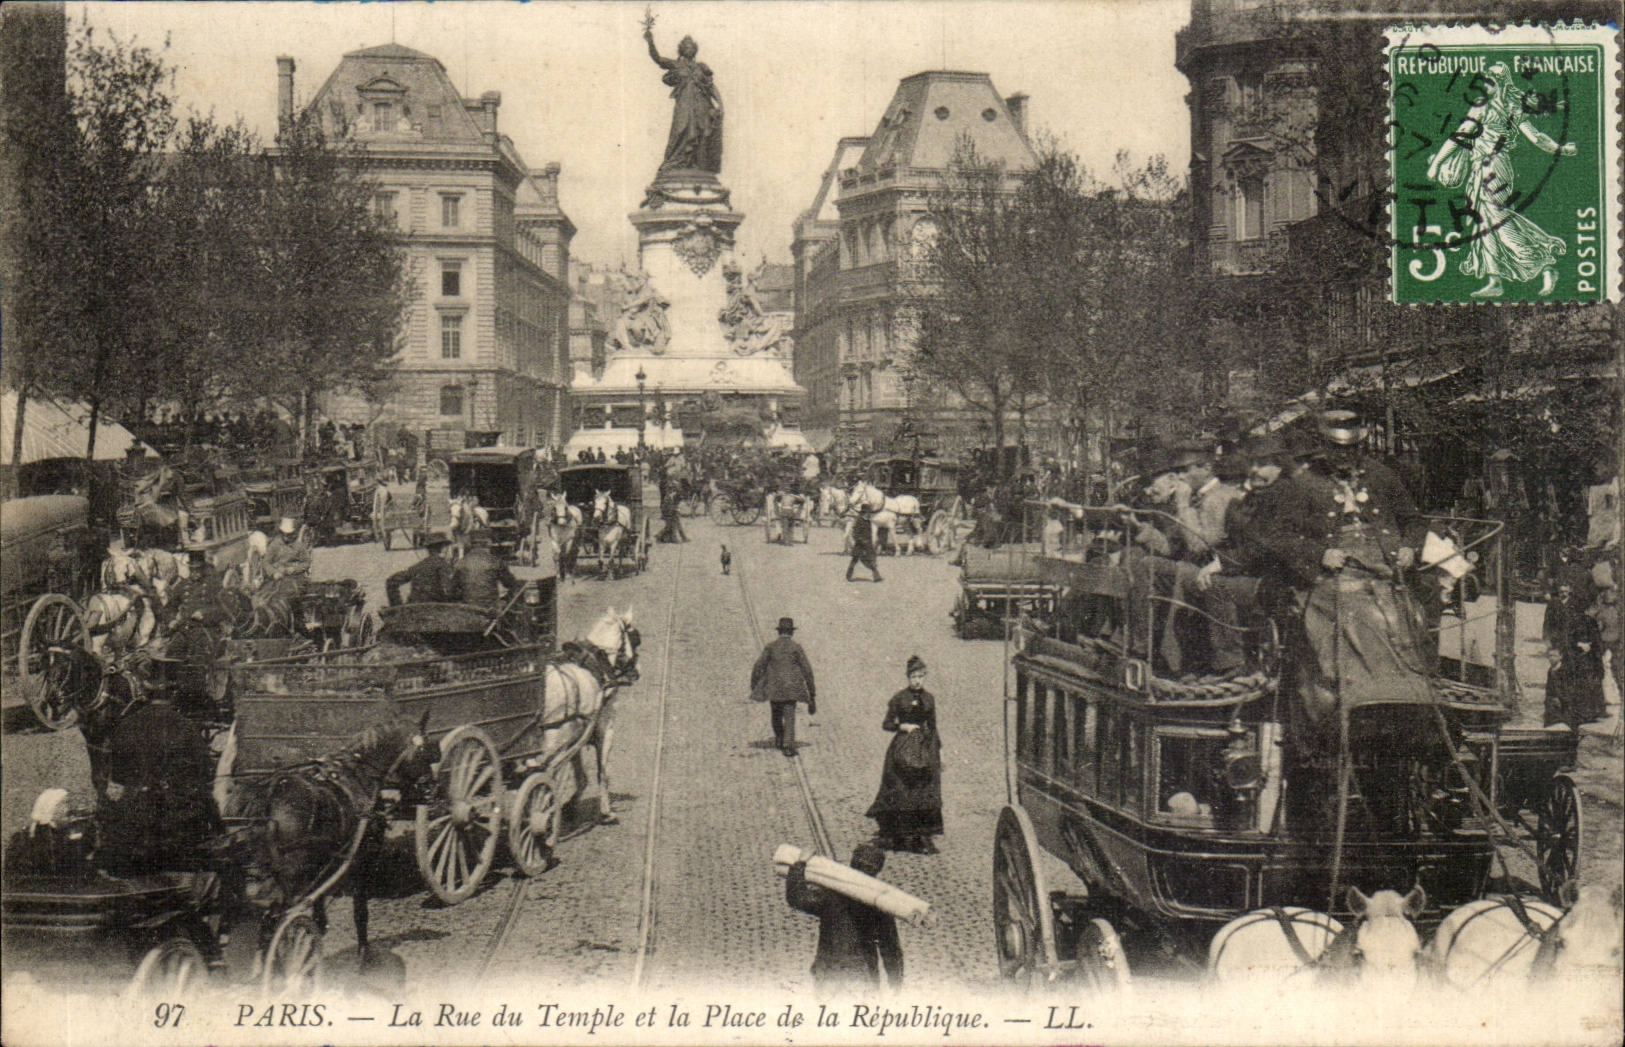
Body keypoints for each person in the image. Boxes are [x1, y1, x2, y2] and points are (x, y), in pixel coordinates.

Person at [1427, 61, 1577, 298]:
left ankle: (1545, 263)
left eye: (1491, 81)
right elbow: (1537, 138)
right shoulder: (1511, 108)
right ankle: (1494, 280)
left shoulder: (1483, 108)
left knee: (1499, 221)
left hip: (1492, 168)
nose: (1486, 85)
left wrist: (1435, 165)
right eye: (1487, 80)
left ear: (1500, 84)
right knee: (1483, 222)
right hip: (1486, 168)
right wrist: (1561, 149)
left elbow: (1459, 136)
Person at [786, 843, 904, 995]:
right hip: (863, 974)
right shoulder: (879, 902)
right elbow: (890, 946)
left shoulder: (832, 894)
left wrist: (799, 864)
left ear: (852, 864)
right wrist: (896, 982)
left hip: (829, 971)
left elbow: (798, 898)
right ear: (877, 870)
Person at [866, 655, 943, 854]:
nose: (917, 680)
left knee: (923, 792)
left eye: (920, 676)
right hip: (901, 749)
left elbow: (933, 727)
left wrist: (940, 751)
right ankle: (897, 834)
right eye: (913, 677)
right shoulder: (899, 698)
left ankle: (920, 836)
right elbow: (886, 723)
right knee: (900, 790)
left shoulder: (929, 699)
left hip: (925, 748)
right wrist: (902, 726)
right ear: (908, 678)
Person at [644, 24, 724, 175]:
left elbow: (711, 86)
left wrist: (720, 103)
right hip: (684, 103)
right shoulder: (676, 64)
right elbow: (658, 58)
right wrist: (650, 42)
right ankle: (674, 162)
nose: (689, 49)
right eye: (686, 47)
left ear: (695, 50)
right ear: (681, 50)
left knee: (702, 132)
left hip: (702, 104)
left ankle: (696, 165)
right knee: (681, 129)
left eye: (691, 47)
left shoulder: (701, 67)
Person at [751, 617, 815, 757]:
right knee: (790, 715)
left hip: (774, 688)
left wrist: (754, 685)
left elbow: (758, 666)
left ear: (779, 632)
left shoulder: (771, 647)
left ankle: (779, 738)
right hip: (792, 688)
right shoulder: (796, 648)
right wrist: (812, 693)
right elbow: (807, 670)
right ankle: (787, 745)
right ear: (791, 633)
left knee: (776, 714)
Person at [453, 531, 521, 610]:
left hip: (468, 608)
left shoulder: (461, 562)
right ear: (488, 543)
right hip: (490, 608)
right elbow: (510, 583)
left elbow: (453, 589)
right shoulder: (494, 561)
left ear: (471, 544)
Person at [386, 535, 459, 606]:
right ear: (443, 548)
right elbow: (448, 590)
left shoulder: (418, 566)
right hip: (437, 609)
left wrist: (397, 606)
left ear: (428, 549)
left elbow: (391, 581)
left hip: (414, 608)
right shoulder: (444, 566)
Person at [846, 512, 883, 583]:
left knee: (869, 560)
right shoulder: (859, 521)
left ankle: (876, 576)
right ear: (864, 513)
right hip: (859, 545)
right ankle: (848, 576)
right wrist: (861, 540)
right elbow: (855, 533)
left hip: (867, 544)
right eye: (868, 512)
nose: (869, 514)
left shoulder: (868, 521)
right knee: (854, 561)